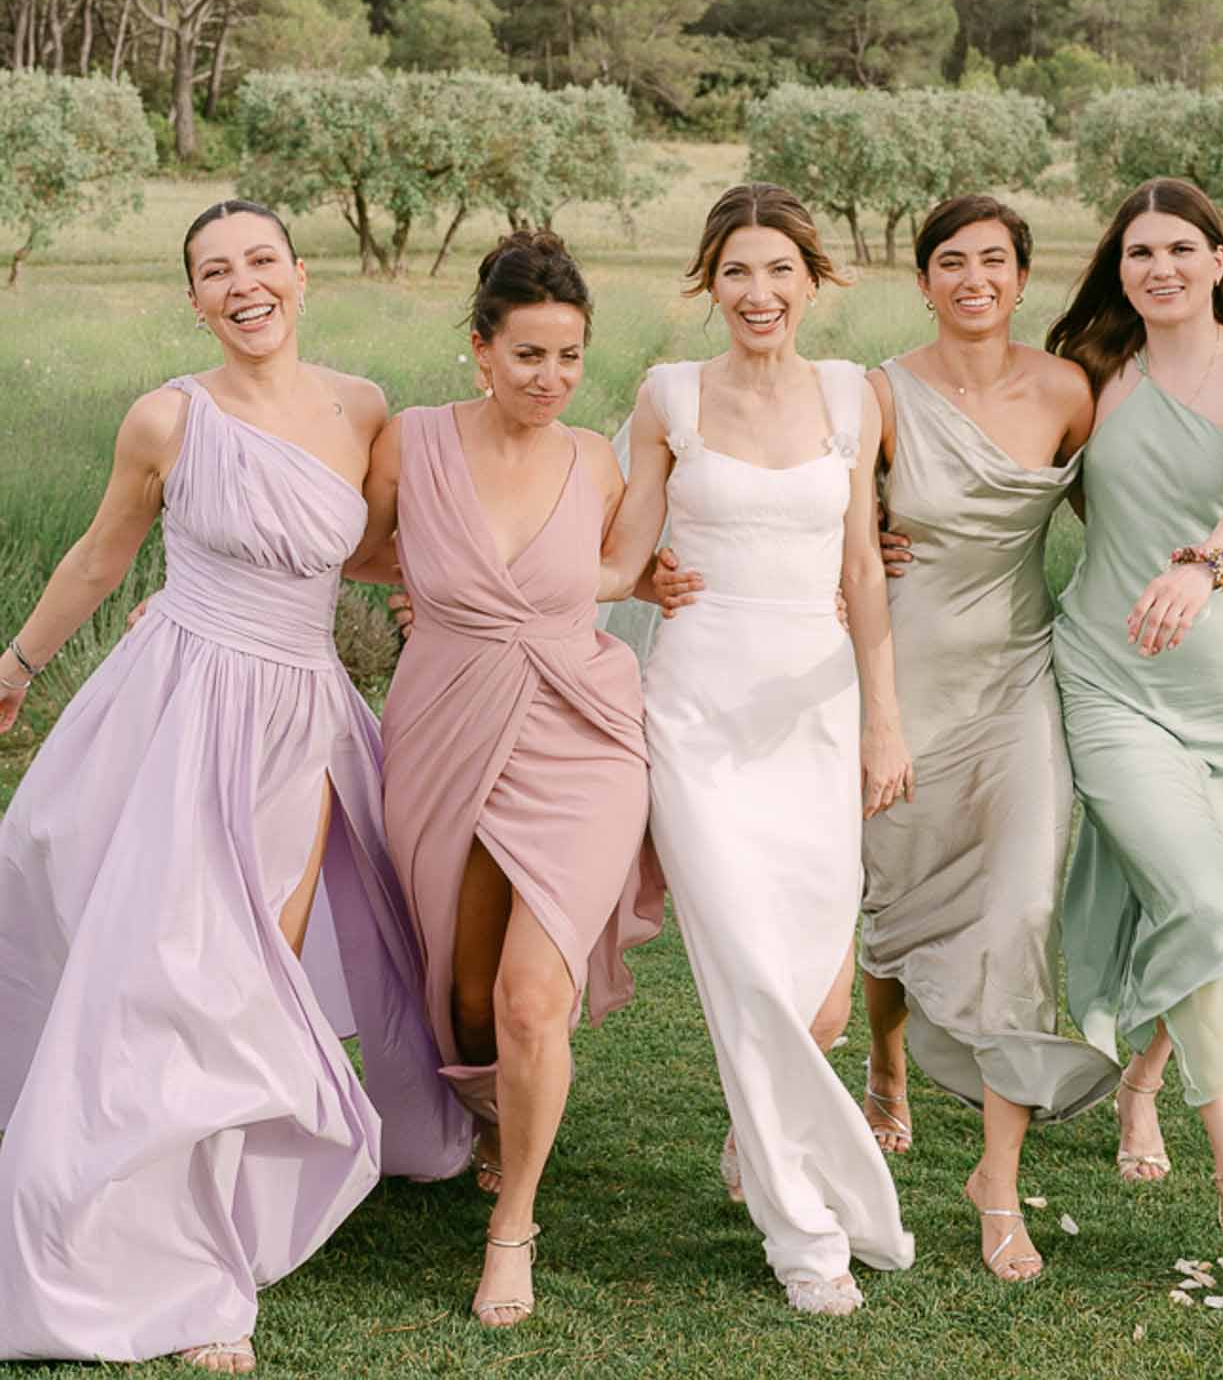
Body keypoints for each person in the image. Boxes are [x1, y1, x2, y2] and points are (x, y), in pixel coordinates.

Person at [0, 200, 465, 1375]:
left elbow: (357, 547)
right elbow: (103, 553)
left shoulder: (364, 408)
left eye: (262, 260)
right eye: (217, 270)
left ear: (302, 275)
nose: (244, 283)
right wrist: (14, 666)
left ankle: (219, 1224)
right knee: (163, 970)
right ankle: (164, 1246)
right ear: (195, 298)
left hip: (296, 726)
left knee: (248, 978)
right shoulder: (168, 415)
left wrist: (447, 596)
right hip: (176, 709)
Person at [597, 183, 917, 1318]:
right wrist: (616, 575)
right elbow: (622, 549)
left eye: (779, 268)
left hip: (821, 708)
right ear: (708, 282)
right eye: (737, 270)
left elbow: (865, 568)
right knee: (745, 973)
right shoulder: (667, 394)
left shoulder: (852, 394)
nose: (759, 291)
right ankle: (806, 1235)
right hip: (697, 709)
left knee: (820, 999)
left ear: (813, 278)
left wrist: (883, 716)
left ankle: (755, 1134)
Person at [354, 231, 664, 1330]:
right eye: (529, 353)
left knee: (537, 994)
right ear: (479, 349)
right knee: (472, 987)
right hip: (444, 724)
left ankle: (514, 1224)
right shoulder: (411, 439)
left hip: (580, 731)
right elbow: (353, 549)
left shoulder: (596, 459)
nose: (551, 378)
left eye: (571, 356)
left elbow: (625, 568)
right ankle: (488, 1117)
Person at [1046, 177, 1223, 1290]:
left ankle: (1146, 1082)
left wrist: (1219, 558)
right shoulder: (1093, 376)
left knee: (1210, 902)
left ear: (1217, 256)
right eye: (1139, 250)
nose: (1159, 266)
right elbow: (1006, 476)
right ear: (1119, 266)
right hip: (1110, 675)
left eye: (1181, 247)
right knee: (1199, 901)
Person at [860, 194, 1118, 1284]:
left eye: (996, 261)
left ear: (1023, 278)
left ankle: (996, 1181)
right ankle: (886, 1065)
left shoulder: (1069, 392)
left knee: (1017, 908)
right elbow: (827, 525)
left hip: (1018, 677)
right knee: (891, 898)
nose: (974, 277)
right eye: (951, 261)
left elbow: (1128, 519)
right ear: (923, 280)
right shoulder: (878, 390)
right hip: (903, 678)